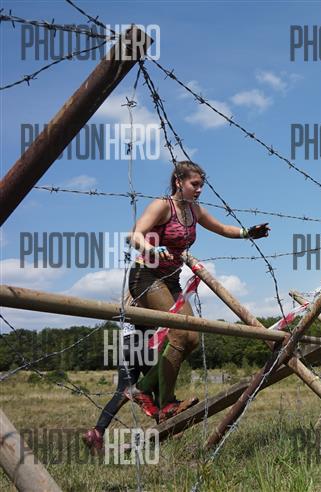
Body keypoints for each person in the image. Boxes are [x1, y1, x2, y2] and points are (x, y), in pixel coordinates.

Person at [83, 161, 269, 451]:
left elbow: (221, 228)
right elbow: (134, 235)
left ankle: (144, 391)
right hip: (146, 276)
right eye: (195, 184)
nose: (200, 189)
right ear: (178, 182)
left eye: (201, 184)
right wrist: (151, 248)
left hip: (170, 281)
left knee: (192, 337)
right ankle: (166, 403)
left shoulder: (194, 211)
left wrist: (247, 233)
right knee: (179, 334)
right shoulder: (163, 206)